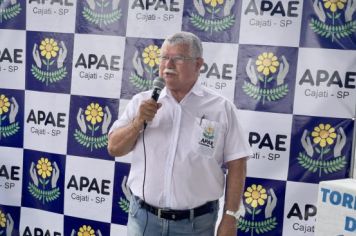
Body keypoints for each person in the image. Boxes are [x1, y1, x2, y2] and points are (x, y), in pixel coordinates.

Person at [108, 31, 252, 236]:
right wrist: (138, 122)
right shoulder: (142, 102)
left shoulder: (220, 108)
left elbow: (237, 164)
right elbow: (114, 148)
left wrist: (230, 217)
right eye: (164, 57)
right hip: (143, 221)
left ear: (198, 64)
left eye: (178, 58)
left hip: (196, 225)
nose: (168, 65)